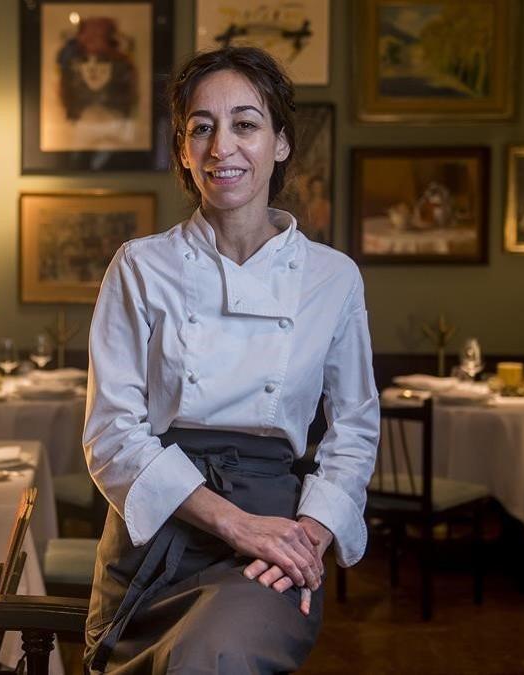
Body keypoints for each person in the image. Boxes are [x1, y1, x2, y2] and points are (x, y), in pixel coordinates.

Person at [83, 47, 380, 674]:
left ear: (280, 144)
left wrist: (307, 536)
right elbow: (111, 434)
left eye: (245, 124)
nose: (223, 146)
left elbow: (354, 428)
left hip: (270, 541)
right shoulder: (139, 266)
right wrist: (232, 522)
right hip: (158, 524)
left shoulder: (334, 278)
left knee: (211, 657)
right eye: (201, 127)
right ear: (185, 151)